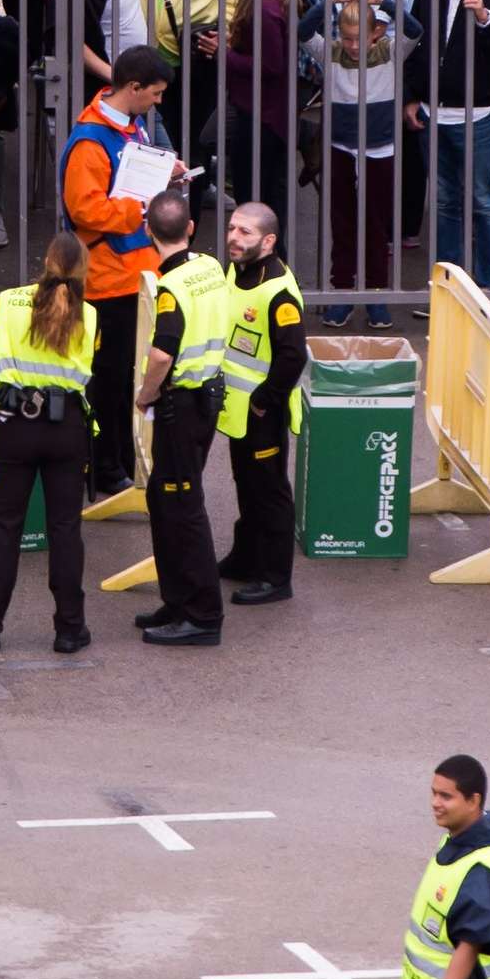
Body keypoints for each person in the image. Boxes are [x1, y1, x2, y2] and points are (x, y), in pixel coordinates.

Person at [0, 234, 99, 656]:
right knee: (65, 529)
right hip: (67, 427)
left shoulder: (7, 300)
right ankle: (70, 629)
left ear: (45, 261)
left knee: (5, 528)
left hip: (16, 423)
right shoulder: (90, 315)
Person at [58, 46, 178, 498]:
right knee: (108, 381)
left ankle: (117, 465)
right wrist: (141, 207)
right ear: (133, 88)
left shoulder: (126, 126)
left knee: (124, 376)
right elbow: (85, 209)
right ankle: (105, 469)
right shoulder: (92, 140)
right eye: (156, 93)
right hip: (109, 280)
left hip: (133, 273)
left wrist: (167, 173)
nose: (158, 101)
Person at [131, 192, 231, 646]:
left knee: (183, 509)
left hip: (183, 405)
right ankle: (177, 601)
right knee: (163, 499)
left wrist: (144, 396)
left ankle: (203, 614)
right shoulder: (209, 267)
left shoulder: (170, 290)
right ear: (190, 229)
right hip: (206, 398)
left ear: (148, 232)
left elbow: (160, 354)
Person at [210, 204, 310, 605]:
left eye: (245, 232)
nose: (234, 238)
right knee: (246, 485)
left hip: (262, 413)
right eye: (232, 228)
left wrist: (263, 403)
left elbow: (292, 357)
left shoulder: (278, 293)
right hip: (239, 411)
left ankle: (275, 576)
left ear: (268, 241)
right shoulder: (238, 269)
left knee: (269, 492)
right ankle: (246, 558)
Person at [405, 754, 490, 979]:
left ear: (473, 801)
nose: (435, 803)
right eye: (434, 793)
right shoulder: (455, 841)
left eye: (446, 796)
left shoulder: (482, 868)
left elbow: (470, 944)